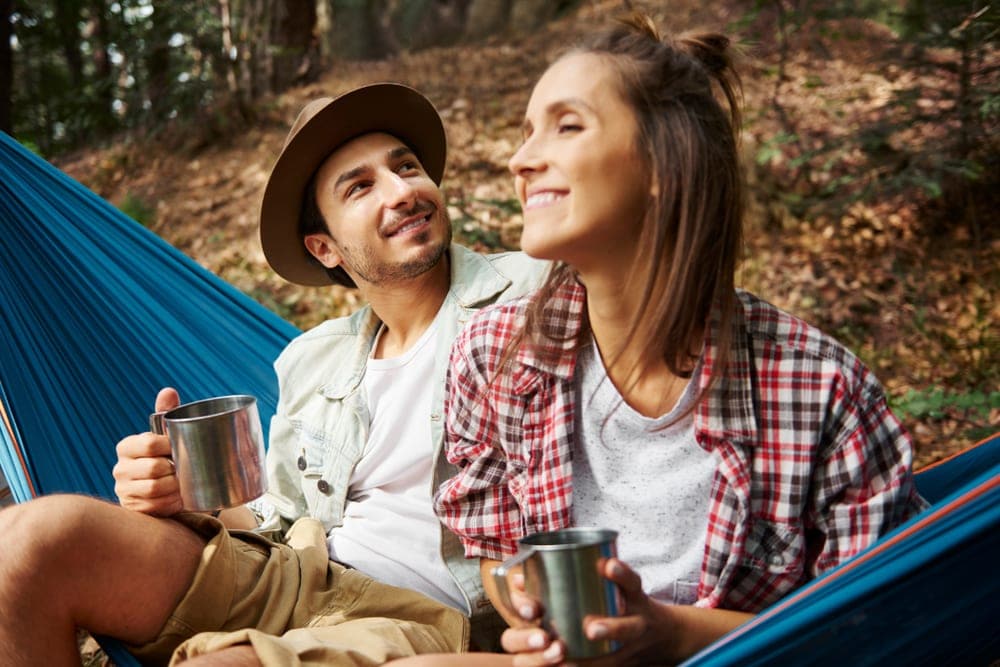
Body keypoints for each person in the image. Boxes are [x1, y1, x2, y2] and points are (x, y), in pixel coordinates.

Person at [391, 14, 928, 667]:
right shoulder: (491, 356)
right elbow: (498, 554)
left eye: (567, 125)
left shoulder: (820, 389)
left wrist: (671, 636)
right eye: (526, 132)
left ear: (663, 166)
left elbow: (872, 626)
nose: (521, 159)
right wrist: (534, 618)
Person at [0, 83, 546, 666]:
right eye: (361, 187)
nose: (404, 191)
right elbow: (276, 519)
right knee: (28, 543)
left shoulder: (539, 294)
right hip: (298, 572)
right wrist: (185, 493)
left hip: (419, 615)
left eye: (407, 167)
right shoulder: (314, 360)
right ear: (325, 248)